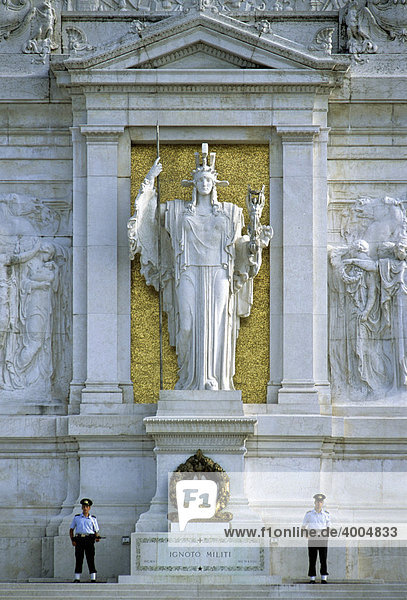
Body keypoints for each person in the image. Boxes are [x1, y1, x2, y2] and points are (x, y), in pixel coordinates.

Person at [128, 143, 272, 391]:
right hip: (187, 272)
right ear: (194, 184)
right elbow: (148, 218)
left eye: (208, 180)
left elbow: (240, 245)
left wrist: (254, 227)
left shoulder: (230, 213)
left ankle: (213, 380)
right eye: (200, 180)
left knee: (216, 325)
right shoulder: (175, 211)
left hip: (218, 272)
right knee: (187, 325)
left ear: (214, 184)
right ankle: (189, 379)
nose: (204, 184)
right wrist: (149, 182)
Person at [69, 498, 101, 583]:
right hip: (79, 539)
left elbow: (96, 531)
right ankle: (77, 577)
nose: (85, 508)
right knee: (79, 558)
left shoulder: (93, 519)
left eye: (87, 506)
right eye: (83, 506)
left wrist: (97, 537)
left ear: (89, 508)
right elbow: (71, 529)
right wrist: (72, 540)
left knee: (90, 558)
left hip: (89, 539)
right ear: (82, 508)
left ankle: (93, 577)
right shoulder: (77, 518)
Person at [302, 493, 331, 584]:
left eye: (321, 502)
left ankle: (324, 577)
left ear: (322, 503)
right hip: (313, 537)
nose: (319, 503)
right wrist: (306, 534)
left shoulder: (326, 514)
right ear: (315, 502)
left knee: (323, 558)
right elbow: (303, 526)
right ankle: (312, 578)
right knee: (312, 558)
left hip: (322, 537)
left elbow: (329, 527)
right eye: (317, 502)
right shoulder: (309, 514)